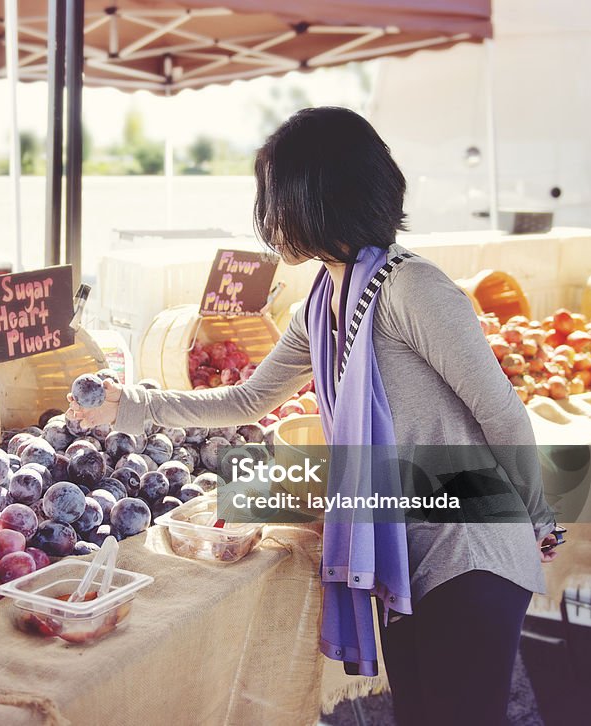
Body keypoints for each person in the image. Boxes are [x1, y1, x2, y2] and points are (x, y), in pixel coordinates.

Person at [67, 107, 559, 726]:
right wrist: (132, 405)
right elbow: (247, 400)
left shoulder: (415, 290)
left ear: (312, 201)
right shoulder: (322, 304)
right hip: (406, 548)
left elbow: (504, 416)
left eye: (273, 198)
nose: (268, 219)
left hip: (471, 548)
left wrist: (541, 519)